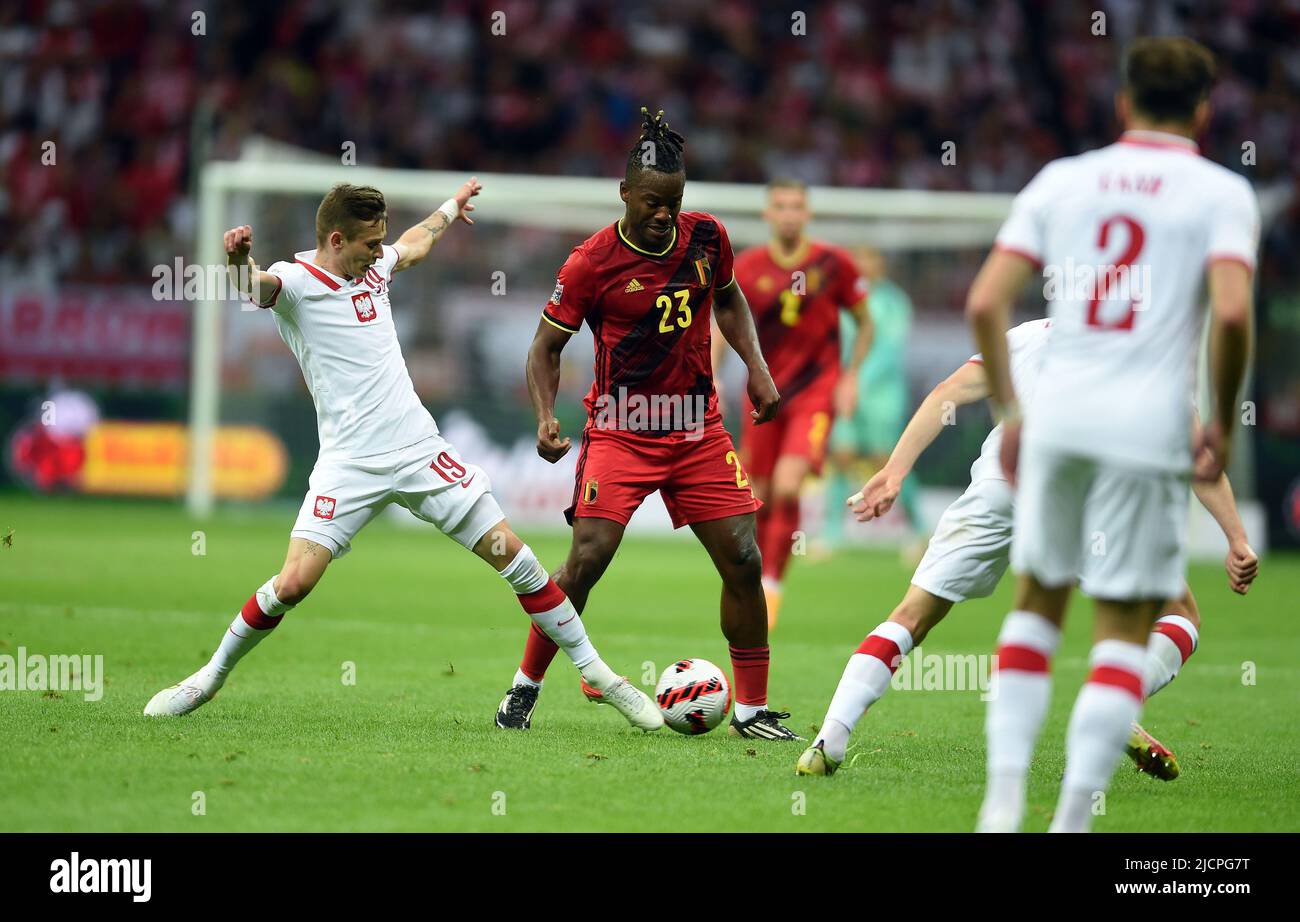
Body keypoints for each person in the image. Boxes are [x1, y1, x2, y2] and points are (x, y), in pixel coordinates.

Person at [144, 178, 662, 733]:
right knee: (293, 582)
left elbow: (414, 244)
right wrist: (238, 260)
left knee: (516, 557)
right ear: (337, 239)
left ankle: (601, 676)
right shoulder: (295, 282)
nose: (378, 254)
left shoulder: (374, 268)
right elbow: (255, 286)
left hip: (419, 451)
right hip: (348, 465)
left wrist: (449, 208)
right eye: (370, 244)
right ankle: (208, 678)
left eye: (380, 243)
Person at [966, 37, 1258, 832]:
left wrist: (1014, 413)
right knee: (1126, 628)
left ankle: (1000, 808)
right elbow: (1231, 313)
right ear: (1202, 112)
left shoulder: (1063, 180)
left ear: (1123, 102)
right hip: (1147, 426)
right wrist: (1223, 425)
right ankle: (1069, 822)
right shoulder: (1221, 192)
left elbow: (987, 301)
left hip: (1059, 418)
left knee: (1035, 609)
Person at [796, 318, 1259, 783]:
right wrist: (1236, 538)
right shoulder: (1153, 349)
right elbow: (1202, 459)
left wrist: (895, 471)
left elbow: (946, 392)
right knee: (1181, 612)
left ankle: (830, 736)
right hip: (1081, 501)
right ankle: (1119, 701)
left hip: (1001, 483)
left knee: (913, 613)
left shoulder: (1031, 334)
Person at [493, 108, 801, 740]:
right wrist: (547, 417)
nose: (666, 213)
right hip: (621, 428)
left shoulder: (707, 237)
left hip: (697, 429)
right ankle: (523, 691)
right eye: (655, 202)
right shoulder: (591, 262)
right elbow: (544, 348)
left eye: (676, 202)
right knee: (586, 559)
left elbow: (729, 297)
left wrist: (758, 369)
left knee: (744, 558)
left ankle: (752, 711)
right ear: (626, 193)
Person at [718, 178, 873, 627]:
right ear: (768, 214)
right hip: (764, 393)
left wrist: (850, 377)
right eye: (780, 206)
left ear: (807, 214)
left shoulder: (833, 263)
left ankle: (772, 588)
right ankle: (757, 584)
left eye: (796, 206)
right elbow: (720, 326)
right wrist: (711, 376)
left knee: (788, 485)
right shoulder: (745, 268)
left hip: (815, 392)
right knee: (760, 494)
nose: (789, 214)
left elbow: (865, 323)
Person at [822, 246, 921, 555]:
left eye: (871, 258)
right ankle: (832, 535)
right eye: (860, 258)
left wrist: (856, 382)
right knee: (841, 455)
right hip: (845, 390)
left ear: (882, 264)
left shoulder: (894, 302)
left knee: (887, 460)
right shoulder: (842, 299)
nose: (865, 264)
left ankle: (918, 532)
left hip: (881, 394)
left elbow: (890, 350)